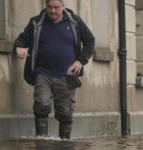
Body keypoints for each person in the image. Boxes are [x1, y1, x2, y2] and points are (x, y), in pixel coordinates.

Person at [13, 0, 95, 139]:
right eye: (49, 7)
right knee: (41, 104)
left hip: (67, 74)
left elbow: (90, 41)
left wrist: (80, 61)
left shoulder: (75, 22)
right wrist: (19, 47)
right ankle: (41, 140)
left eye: (56, 7)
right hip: (42, 72)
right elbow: (21, 40)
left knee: (65, 113)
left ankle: (64, 144)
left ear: (63, 7)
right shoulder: (36, 23)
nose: (52, 11)